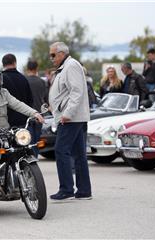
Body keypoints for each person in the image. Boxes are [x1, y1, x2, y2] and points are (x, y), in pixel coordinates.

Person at [48, 42, 92, 201]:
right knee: (79, 154)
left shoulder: (71, 66)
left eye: (53, 55)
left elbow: (77, 91)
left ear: (61, 53)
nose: (51, 58)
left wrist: (68, 113)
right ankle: (84, 191)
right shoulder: (65, 67)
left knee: (61, 150)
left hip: (71, 118)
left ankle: (66, 190)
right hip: (72, 117)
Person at [2, 53, 33, 128]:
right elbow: (30, 100)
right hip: (23, 120)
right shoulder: (23, 79)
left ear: (3, 64)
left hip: (5, 121)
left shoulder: (0, 79)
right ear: (15, 63)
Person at [25, 59, 48, 157]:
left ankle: (29, 161)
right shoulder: (42, 82)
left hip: (27, 114)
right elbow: (46, 98)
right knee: (36, 141)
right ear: (37, 68)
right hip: (39, 114)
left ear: (27, 68)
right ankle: (35, 158)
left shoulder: (24, 80)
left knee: (27, 141)